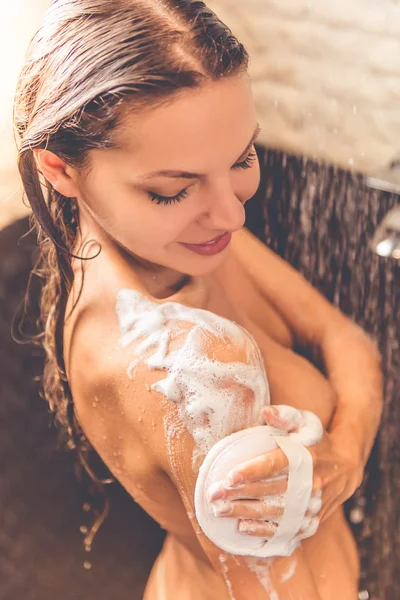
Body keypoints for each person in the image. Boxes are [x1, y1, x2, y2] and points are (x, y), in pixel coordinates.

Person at [14, 1, 383, 598]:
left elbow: (345, 336)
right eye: (172, 190)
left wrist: (344, 456)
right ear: (60, 170)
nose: (233, 213)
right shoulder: (193, 365)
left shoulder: (184, 238)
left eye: (242, 158)